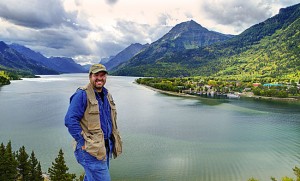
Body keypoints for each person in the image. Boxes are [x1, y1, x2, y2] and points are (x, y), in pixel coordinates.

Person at [65, 64, 122, 181]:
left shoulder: (107, 95)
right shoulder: (82, 95)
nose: (100, 78)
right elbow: (70, 120)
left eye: (102, 75)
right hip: (90, 150)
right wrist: (83, 142)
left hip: (103, 148)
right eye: (96, 75)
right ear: (90, 76)